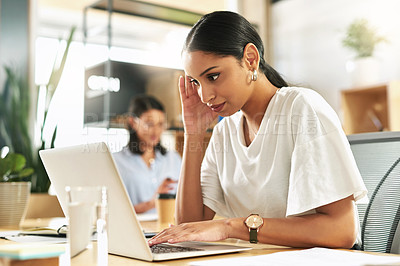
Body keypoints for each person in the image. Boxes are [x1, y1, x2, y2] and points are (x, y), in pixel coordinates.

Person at [148, 11, 367, 248]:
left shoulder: (301, 109)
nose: (204, 95)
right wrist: (194, 133)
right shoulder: (224, 132)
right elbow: (188, 227)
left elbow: (341, 231)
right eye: (196, 82)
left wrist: (230, 227)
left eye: (213, 76)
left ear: (250, 59)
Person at [113, 95, 182, 214]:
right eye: (149, 124)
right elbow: (114, 212)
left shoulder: (173, 158)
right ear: (133, 122)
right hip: (136, 230)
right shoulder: (116, 161)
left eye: (160, 124)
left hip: (169, 228)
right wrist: (152, 203)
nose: (156, 131)